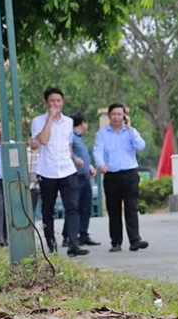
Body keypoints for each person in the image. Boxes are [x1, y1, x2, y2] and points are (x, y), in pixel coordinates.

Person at [30, 87, 88, 255]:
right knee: (47, 209)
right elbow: (43, 140)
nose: (55, 104)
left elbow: (67, 145)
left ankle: (73, 245)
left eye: (58, 101)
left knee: (72, 207)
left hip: (67, 169)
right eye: (52, 101)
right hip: (47, 171)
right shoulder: (38, 121)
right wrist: (50, 119)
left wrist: (74, 158)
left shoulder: (69, 122)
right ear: (46, 103)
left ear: (63, 102)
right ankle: (51, 245)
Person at [94, 104, 148, 253]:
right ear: (109, 116)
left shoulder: (130, 132)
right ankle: (116, 242)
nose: (117, 117)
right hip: (111, 176)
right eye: (114, 114)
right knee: (114, 209)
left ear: (124, 116)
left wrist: (130, 129)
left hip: (130, 174)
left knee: (131, 208)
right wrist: (100, 164)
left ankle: (135, 240)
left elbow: (141, 145)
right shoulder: (102, 134)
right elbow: (98, 150)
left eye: (120, 114)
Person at [63, 114, 99, 248]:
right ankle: (67, 236)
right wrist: (75, 158)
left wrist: (89, 167)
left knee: (86, 207)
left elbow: (83, 156)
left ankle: (83, 235)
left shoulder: (79, 138)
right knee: (74, 208)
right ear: (83, 123)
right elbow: (68, 151)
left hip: (84, 177)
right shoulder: (71, 136)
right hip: (74, 177)